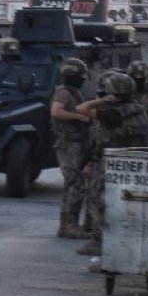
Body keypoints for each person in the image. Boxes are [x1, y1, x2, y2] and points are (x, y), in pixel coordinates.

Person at [74, 72, 148, 256]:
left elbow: (81, 109)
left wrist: (101, 101)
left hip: (110, 164)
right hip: (132, 165)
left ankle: (101, 242)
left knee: (98, 202)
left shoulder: (113, 113)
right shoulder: (137, 109)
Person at [50, 58, 92, 239]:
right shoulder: (64, 93)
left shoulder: (73, 92)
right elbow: (56, 111)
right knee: (74, 185)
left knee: (75, 185)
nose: (83, 79)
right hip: (69, 145)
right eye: (81, 76)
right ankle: (69, 225)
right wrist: (78, 117)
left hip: (76, 144)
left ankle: (68, 224)